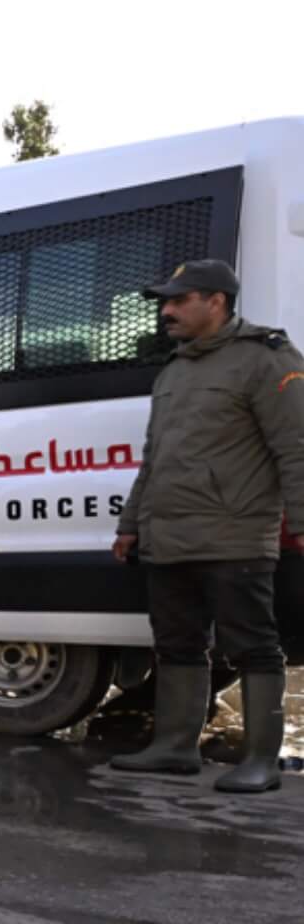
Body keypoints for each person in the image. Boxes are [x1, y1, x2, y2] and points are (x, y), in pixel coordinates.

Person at [112, 259, 304, 793]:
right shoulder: (173, 370)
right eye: (165, 302)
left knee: (252, 645)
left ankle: (262, 761)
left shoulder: (266, 359)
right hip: (169, 536)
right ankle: (174, 748)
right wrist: (131, 524)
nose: (166, 311)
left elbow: (296, 448)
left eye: (178, 300)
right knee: (176, 641)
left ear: (216, 301)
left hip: (235, 532)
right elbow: (155, 459)